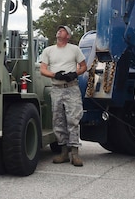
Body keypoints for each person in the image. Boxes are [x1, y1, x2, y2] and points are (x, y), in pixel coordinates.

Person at [39, 24, 87, 166]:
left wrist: (74, 73)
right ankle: (64, 152)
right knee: (58, 120)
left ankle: (75, 153)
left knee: (73, 119)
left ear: (68, 36)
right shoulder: (48, 51)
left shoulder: (74, 49)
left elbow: (84, 66)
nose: (59, 31)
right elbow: (43, 69)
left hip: (71, 88)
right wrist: (55, 75)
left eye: (63, 30)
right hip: (56, 88)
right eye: (59, 30)